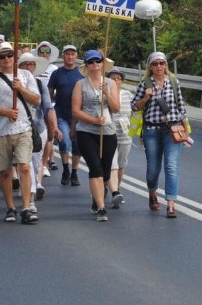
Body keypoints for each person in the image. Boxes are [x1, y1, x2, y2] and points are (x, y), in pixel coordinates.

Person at [0, 42, 41, 224]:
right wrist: (6, 112)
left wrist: (21, 88)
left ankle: (26, 207)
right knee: (6, 172)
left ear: (14, 57)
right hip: (1, 131)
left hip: (23, 129)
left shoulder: (25, 75)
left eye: (9, 55)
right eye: (2, 56)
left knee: (24, 166)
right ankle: (10, 207)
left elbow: (36, 100)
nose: (7, 59)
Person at [131, 51, 189, 219]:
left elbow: (181, 106)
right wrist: (146, 97)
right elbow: (135, 106)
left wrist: (185, 128)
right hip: (151, 130)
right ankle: (152, 192)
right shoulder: (145, 84)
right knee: (153, 169)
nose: (159, 67)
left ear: (166, 66)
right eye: (155, 64)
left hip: (172, 129)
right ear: (150, 67)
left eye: (161, 63)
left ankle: (171, 204)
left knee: (171, 166)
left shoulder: (173, 81)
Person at [72, 50, 119, 221]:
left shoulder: (110, 83)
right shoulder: (80, 84)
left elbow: (116, 108)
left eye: (98, 61)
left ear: (102, 63)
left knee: (106, 172)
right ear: (86, 65)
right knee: (95, 168)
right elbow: (75, 110)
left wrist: (106, 93)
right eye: (91, 62)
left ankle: (97, 196)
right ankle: (101, 207)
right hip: (86, 131)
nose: (95, 65)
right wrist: (93, 120)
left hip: (108, 131)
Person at [17, 52, 58, 207]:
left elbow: (48, 108)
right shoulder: (13, 84)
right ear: (19, 67)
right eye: (25, 64)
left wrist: (53, 127)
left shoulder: (40, 85)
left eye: (31, 64)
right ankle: (29, 192)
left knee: (34, 162)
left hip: (38, 128)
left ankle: (31, 194)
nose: (28, 67)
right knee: (23, 163)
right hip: (19, 128)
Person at [48, 45, 83, 186]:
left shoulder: (81, 73)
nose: (70, 57)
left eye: (72, 54)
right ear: (63, 56)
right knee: (64, 141)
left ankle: (74, 172)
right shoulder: (57, 74)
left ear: (76, 56)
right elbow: (49, 94)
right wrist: (48, 112)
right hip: (61, 113)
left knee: (77, 145)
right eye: (67, 54)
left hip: (78, 115)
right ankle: (66, 169)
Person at [106, 67, 133, 208]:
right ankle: (112, 191)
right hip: (109, 133)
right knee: (111, 164)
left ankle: (117, 189)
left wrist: (136, 131)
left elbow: (135, 113)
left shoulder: (128, 94)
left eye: (118, 78)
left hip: (125, 135)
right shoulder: (105, 94)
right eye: (113, 78)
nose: (116, 80)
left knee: (121, 164)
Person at [32, 40, 60, 173]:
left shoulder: (54, 69)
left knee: (49, 134)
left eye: (47, 51)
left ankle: (44, 164)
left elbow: (58, 87)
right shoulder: (33, 66)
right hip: (34, 104)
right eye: (41, 51)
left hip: (49, 104)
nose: (44, 54)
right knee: (36, 133)